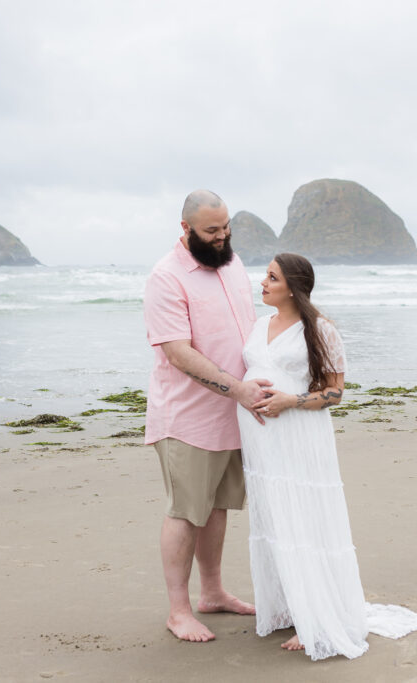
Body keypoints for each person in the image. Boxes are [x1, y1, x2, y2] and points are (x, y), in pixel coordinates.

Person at [238, 252, 417, 660]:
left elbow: (336, 393)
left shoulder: (319, 329)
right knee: (275, 516)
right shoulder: (257, 325)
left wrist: (289, 400)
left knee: (303, 517)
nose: (262, 282)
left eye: (271, 277)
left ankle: (316, 619)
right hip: (260, 440)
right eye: (265, 276)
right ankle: (289, 605)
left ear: (293, 285)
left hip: (299, 434)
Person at [143, 189, 273, 643]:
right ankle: (178, 611)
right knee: (186, 511)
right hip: (186, 417)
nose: (221, 238)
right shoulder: (166, 278)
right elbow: (178, 353)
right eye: (211, 231)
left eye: (226, 229)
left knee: (217, 507)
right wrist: (237, 388)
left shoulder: (231, 263)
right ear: (186, 230)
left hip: (231, 414)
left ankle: (213, 593)